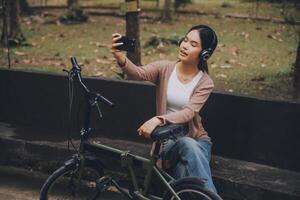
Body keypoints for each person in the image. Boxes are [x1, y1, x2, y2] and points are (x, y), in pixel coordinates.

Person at [111, 25, 218, 193]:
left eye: (193, 44)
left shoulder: (205, 82)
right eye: (185, 40)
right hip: (168, 143)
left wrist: (159, 119)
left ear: (205, 54)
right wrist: (120, 57)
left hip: (197, 142)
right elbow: (139, 74)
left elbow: (189, 112)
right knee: (187, 159)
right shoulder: (165, 68)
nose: (184, 45)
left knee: (186, 177)